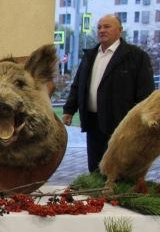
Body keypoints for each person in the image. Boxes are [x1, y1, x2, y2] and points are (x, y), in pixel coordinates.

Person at [62, 14, 154, 173]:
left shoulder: (136, 57)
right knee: (95, 166)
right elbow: (78, 85)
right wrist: (69, 110)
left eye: (107, 26)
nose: (102, 30)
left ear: (120, 30)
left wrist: (139, 120)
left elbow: (146, 94)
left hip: (120, 122)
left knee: (115, 167)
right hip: (92, 121)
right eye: (99, 27)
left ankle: (112, 195)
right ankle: (95, 196)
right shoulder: (90, 56)